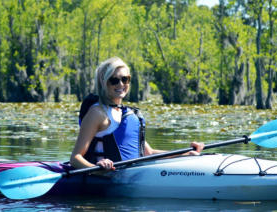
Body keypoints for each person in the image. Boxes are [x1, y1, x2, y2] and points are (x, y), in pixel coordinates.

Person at [70, 57, 204, 170]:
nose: (121, 84)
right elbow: (75, 158)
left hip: (130, 174)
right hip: (104, 177)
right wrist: (96, 168)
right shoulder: (97, 113)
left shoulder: (128, 114)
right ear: (103, 83)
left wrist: (186, 153)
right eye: (114, 80)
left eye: (125, 79)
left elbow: (148, 153)